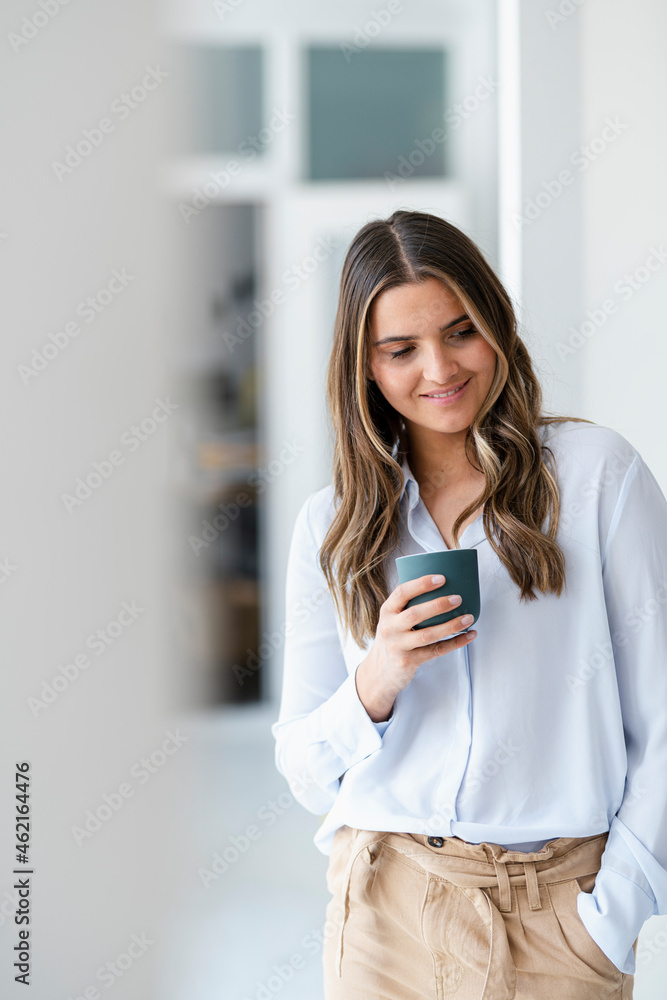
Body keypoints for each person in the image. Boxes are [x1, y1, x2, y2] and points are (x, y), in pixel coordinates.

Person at [270, 209, 667, 999]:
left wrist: (611, 911)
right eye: (400, 349)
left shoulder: (595, 479)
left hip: (556, 915)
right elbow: (304, 771)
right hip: (384, 912)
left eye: (460, 331)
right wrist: (377, 677)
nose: (439, 368)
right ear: (366, 369)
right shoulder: (334, 525)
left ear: (495, 325)